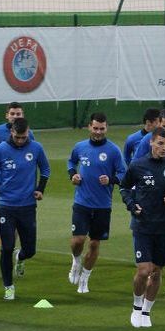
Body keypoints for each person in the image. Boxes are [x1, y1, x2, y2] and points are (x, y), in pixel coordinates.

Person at [120, 127, 165, 328]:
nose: (163, 148)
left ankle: (147, 312)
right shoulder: (138, 166)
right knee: (143, 270)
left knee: (156, 272)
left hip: (164, 227)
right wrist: (132, 206)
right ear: (151, 143)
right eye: (160, 143)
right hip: (142, 226)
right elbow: (124, 188)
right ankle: (136, 306)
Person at [0, 118, 50, 301]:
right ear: (11, 133)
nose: (20, 140)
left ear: (28, 132)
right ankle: (8, 286)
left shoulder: (36, 148)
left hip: (28, 206)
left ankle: (21, 257)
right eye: (17, 137)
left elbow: (45, 169)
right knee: (6, 248)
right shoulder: (0, 150)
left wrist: (40, 189)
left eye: (23, 137)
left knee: (30, 250)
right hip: (7, 206)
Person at [67, 113, 126, 294]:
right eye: (95, 128)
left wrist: (110, 179)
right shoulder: (80, 147)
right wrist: (73, 175)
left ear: (106, 128)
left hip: (102, 205)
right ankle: (76, 261)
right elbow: (71, 162)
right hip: (82, 203)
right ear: (89, 127)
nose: (98, 132)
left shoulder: (113, 150)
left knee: (94, 244)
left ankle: (85, 277)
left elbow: (124, 173)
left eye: (102, 128)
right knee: (78, 240)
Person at [0, 101, 35, 249]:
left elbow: (32, 154)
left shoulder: (29, 134)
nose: (15, 116)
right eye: (12, 114)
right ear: (7, 115)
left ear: (23, 115)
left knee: (16, 221)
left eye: (18, 114)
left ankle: (9, 249)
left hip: (18, 184)